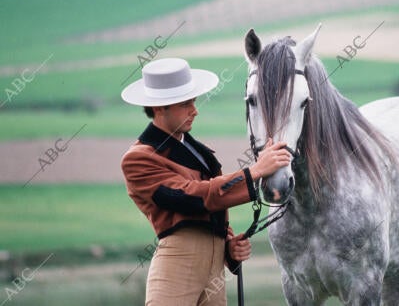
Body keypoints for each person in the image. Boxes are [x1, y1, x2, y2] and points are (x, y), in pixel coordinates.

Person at [120, 58, 290, 305]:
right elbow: (192, 198)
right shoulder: (138, 159)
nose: (195, 110)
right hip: (177, 263)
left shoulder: (197, 151)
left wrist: (229, 245)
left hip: (214, 268)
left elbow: (213, 206)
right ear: (159, 108)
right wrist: (253, 173)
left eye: (194, 102)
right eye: (185, 103)